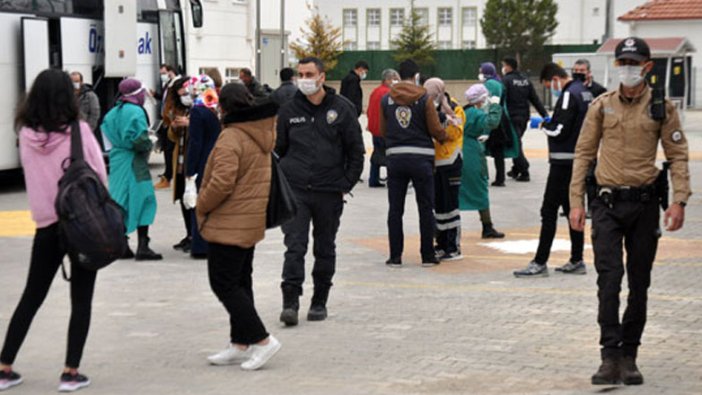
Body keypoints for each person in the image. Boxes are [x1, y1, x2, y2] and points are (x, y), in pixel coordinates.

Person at [569, 37, 691, 386]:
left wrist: (679, 200)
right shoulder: (601, 106)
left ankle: (630, 355)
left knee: (640, 282)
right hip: (606, 205)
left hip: (644, 205)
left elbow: (678, 155)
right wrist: (576, 202)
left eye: (634, 62)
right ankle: (609, 354)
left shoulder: (661, 108)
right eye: (622, 62)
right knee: (609, 280)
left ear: (647, 67)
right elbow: (583, 154)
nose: (628, 68)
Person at [0, 69, 106, 392]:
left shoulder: (26, 136)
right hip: (81, 225)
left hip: (46, 226)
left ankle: (4, 367)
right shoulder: (81, 131)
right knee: (81, 299)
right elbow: (100, 176)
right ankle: (70, 373)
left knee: (31, 296)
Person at [197, 83, 282, 371]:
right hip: (249, 219)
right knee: (241, 281)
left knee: (223, 282)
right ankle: (240, 342)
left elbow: (222, 182)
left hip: (229, 221)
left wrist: (201, 204)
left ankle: (262, 340)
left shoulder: (232, 137)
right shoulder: (259, 131)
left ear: (222, 107)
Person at [276, 57, 365, 326]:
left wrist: (344, 185)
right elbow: (278, 150)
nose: (304, 78)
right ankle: (290, 302)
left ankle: (319, 301)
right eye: (300, 74)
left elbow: (356, 152)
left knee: (324, 247)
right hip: (296, 192)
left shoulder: (342, 109)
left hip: (329, 192)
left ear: (322, 77)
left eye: (309, 74)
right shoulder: (289, 110)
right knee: (295, 246)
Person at [513, 62, 591, 278]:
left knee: (548, 212)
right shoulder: (584, 91)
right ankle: (577, 259)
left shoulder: (568, 94)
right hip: (577, 161)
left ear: (556, 79)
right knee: (572, 210)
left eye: (549, 85)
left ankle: (540, 262)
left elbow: (559, 130)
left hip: (563, 163)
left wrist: (542, 125)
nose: (551, 89)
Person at [380, 59, 448, 267]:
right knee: (425, 208)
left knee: (395, 209)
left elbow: (383, 130)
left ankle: (395, 256)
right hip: (422, 160)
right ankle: (427, 255)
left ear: (399, 76)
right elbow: (435, 129)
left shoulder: (386, 99)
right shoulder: (424, 98)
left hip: (396, 159)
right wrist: (446, 134)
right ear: (416, 76)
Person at [101, 78, 162, 261]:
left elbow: (107, 136)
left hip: (117, 160)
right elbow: (140, 139)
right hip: (135, 162)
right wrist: (149, 144)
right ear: (137, 93)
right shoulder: (136, 112)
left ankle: (122, 245)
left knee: (119, 201)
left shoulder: (112, 113)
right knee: (144, 200)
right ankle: (143, 246)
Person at [424, 78, 465, 261]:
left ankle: (453, 246)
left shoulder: (455, 107)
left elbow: (455, 132)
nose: (429, 98)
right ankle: (440, 244)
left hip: (451, 162)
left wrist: (440, 126)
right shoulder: (428, 107)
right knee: (439, 207)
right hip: (434, 164)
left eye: (432, 95)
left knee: (451, 207)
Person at [181, 74, 221, 259]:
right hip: (216, 159)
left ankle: (200, 246)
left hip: (202, 162)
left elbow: (195, 142)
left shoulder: (197, 111)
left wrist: (190, 170)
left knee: (199, 204)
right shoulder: (214, 108)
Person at [459, 84, 505, 240]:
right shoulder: (475, 113)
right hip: (471, 153)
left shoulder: (464, 111)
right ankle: (487, 226)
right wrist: (495, 106)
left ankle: (440, 227)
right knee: (480, 188)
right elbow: (492, 122)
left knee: (455, 190)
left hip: (459, 150)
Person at [501, 56, 549, 182]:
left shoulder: (506, 80)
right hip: (524, 117)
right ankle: (516, 169)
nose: (503, 68)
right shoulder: (525, 81)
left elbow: (502, 100)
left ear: (508, 67)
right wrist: (545, 115)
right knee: (517, 141)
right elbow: (535, 99)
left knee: (515, 144)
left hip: (511, 118)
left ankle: (524, 170)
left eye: (503, 65)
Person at [163, 76, 193, 253]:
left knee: (192, 200)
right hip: (180, 161)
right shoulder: (178, 109)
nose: (183, 93)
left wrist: (191, 123)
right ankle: (189, 234)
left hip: (193, 162)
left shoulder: (200, 106)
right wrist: (174, 127)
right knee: (183, 198)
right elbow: (172, 138)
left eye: (185, 88)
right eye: (180, 90)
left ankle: (195, 236)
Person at [479, 62, 520, 187]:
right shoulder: (498, 83)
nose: (479, 73)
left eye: (481, 71)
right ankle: (499, 177)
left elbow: (489, 103)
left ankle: (496, 178)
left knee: (493, 150)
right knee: (499, 152)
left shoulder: (490, 84)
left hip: (495, 120)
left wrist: (486, 124)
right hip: (501, 119)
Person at [366, 68, 399, 188]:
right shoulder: (388, 93)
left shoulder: (375, 91)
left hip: (374, 128)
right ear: (388, 79)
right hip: (385, 129)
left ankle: (373, 179)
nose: (395, 81)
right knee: (390, 155)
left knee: (377, 154)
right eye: (394, 79)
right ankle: (392, 180)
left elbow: (369, 110)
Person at [154, 64, 180, 189]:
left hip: (172, 122)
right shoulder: (167, 85)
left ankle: (169, 176)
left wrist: (172, 118)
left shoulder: (176, 84)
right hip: (165, 121)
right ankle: (167, 174)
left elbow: (176, 103)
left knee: (170, 150)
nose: (163, 76)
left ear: (171, 72)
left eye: (164, 73)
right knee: (166, 149)